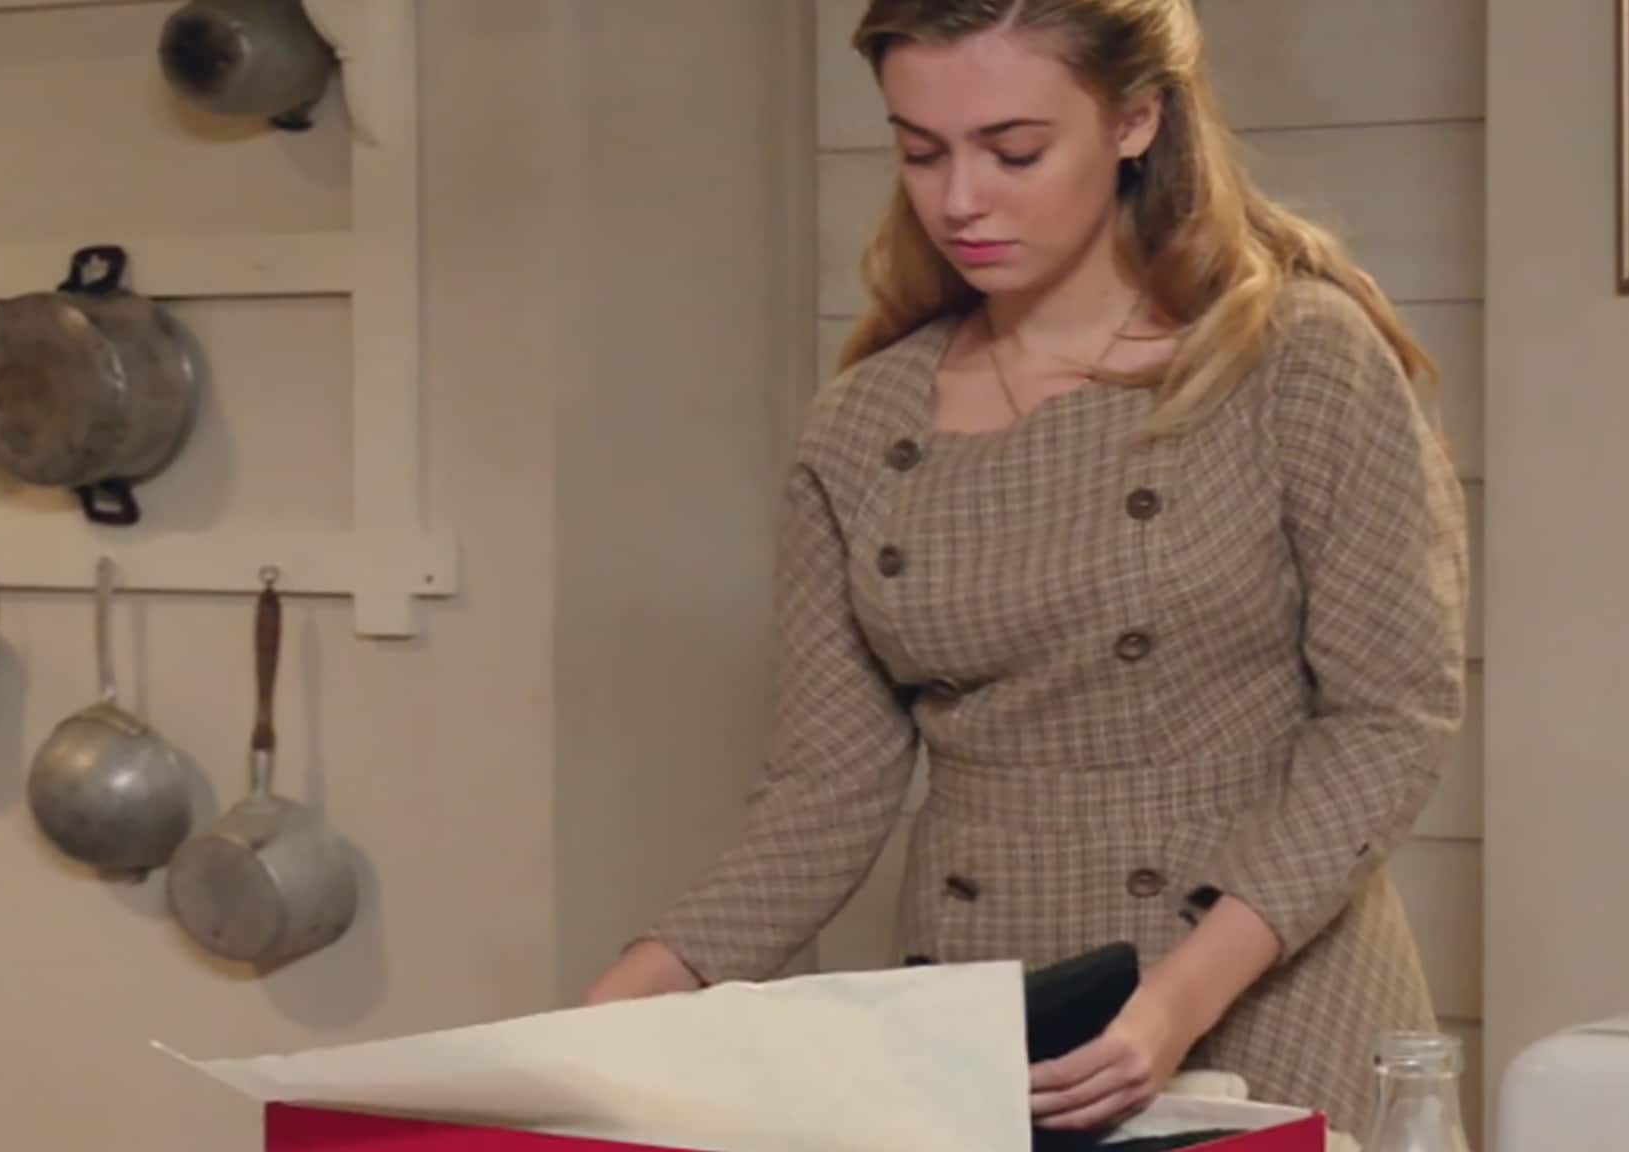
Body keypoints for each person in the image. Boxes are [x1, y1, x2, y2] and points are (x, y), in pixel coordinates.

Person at [583, 0, 1468, 1140]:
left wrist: (1174, 1002)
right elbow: (824, 790)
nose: (959, 200)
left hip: (1265, 991)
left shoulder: (1293, 358)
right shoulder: (861, 425)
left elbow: (1388, 720)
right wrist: (627, 998)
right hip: (988, 1014)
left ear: (1135, 121)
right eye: (920, 152)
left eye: (1012, 151)